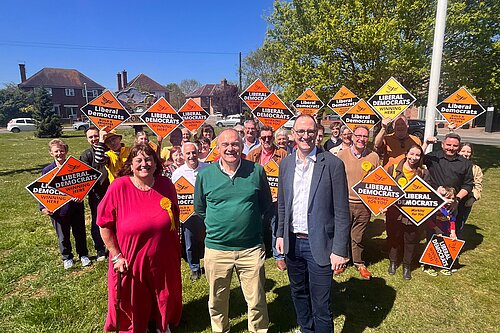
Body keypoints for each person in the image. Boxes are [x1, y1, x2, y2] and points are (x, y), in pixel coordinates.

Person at [276, 115, 350, 333]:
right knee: (298, 293)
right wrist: (280, 234)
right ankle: (306, 329)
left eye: (310, 132)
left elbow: (342, 211)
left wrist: (339, 249)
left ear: (318, 134)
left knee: (321, 303)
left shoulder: (333, 165)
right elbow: (282, 203)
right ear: (293, 135)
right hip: (292, 242)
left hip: (319, 244)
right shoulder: (286, 164)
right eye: (301, 132)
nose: (305, 136)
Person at [97, 144, 182, 333]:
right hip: (130, 256)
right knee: (133, 298)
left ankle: (162, 324)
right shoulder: (119, 186)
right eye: (139, 160)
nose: (145, 164)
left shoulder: (165, 184)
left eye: (149, 159)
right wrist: (117, 256)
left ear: (156, 162)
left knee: (164, 293)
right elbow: (104, 225)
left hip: (163, 257)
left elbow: (174, 219)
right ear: (131, 164)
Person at [194, 128, 272, 333]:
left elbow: (265, 205)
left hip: (251, 249)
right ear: (217, 148)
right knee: (217, 300)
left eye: (235, 144)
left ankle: (258, 330)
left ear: (242, 146)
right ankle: (221, 330)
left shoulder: (256, 171)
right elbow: (200, 209)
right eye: (225, 145)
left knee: (256, 299)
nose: (231, 149)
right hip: (217, 249)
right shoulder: (205, 175)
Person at [337, 125, 380, 280]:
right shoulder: (341, 155)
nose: (361, 139)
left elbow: (379, 181)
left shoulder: (374, 157)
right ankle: (342, 260)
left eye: (365, 136)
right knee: (342, 233)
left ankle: (359, 262)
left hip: (364, 204)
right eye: (358, 136)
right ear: (352, 137)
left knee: (358, 235)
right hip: (344, 202)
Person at [41, 139, 91, 269]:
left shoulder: (75, 166)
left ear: (66, 151)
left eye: (62, 150)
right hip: (58, 210)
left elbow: (83, 185)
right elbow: (42, 190)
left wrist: (82, 196)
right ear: (51, 153)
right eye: (56, 151)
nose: (59, 153)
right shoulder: (47, 170)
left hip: (76, 207)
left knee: (79, 232)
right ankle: (67, 257)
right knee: (63, 236)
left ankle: (83, 254)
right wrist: (43, 207)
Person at [247, 126, 288, 271]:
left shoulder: (282, 154)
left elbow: (287, 177)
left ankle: (279, 256)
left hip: (277, 197)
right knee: (257, 225)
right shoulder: (252, 155)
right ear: (259, 138)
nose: (266, 140)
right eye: (263, 137)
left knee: (277, 225)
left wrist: (281, 193)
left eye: (269, 137)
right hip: (258, 196)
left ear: (273, 138)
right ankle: (258, 252)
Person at [386, 145, 427, 280]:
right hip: (394, 213)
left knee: (411, 240)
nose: (414, 158)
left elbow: (428, 193)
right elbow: (385, 189)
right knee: (394, 238)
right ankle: (393, 262)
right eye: (411, 154)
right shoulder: (394, 169)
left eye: (417, 155)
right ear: (406, 154)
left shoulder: (424, 172)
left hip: (413, 214)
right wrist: (382, 204)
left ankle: (406, 266)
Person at [424, 133, 473, 240]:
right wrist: (426, 143)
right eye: (448, 145)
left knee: (453, 231)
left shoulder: (466, 163)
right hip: (435, 203)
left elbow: (468, 185)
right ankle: (430, 255)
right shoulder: (433, 157)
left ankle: (450, 254)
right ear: (442, 144)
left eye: (455, 146)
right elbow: (416, 158)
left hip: (453, 205)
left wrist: (456, 200)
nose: (451, 148)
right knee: (433, 231)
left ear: (459, 147)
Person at [171, 142, 208, 281]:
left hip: (206, 213)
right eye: (188, 153)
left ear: (198, 153)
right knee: (190, 242)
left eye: (194, 152)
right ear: (183, 155)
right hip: (188, 216)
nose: (191, 156)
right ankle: (195, 268)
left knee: (208, 240)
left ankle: (210, 265)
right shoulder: (177, 174)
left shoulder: (208, 168)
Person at [80, 126, 108, 261]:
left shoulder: (109, 150)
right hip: (95, 193)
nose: (94, 139)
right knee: (97, 220)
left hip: (110, 190)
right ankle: (100, 249)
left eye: (96, 136)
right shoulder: (86, 155)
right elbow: (85, 176)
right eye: (90, 137)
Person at [422, 186, 457, 277]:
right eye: (448, 198)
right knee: (431, 249)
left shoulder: (451, 209)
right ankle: (427, 266)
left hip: (446, 232)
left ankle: (443, 265)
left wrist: (453, 232)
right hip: (433, 231)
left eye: (453, 198)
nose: (451, 201)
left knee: (444, 249)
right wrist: (436, 229)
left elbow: (452, 220)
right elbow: (428, 220)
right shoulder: (436, 207)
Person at [456, 142, 483, 229]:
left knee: (459, 225)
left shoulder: (476, 169)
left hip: (466, 201)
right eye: (463, 151)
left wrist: (473, 198)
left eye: (468, 152)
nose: (466, 154)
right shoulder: (451, 165)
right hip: (451, 198)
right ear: (458, 151)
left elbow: (478, 186)